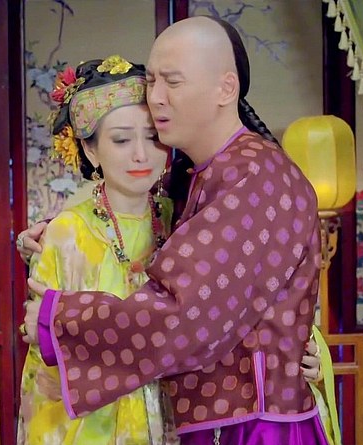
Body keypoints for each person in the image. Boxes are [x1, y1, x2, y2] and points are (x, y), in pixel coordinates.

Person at [22, 16, 332, 444]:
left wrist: (59, 319)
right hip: (214, 421)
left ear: (226, 89)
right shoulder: (197, 179)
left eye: (173, 81)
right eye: (151, 81)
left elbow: (185, 315)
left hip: (251, 426)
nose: (156, 97)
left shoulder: (255, 176)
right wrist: (57, 234)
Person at [17, 55, 175, 445]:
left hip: (176, 414)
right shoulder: (66, 233)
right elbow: (43, 358)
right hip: (90, 426)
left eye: (153, 136)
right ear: (90, 151)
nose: (141, 154)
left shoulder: (182, 219)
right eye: (121, 139)